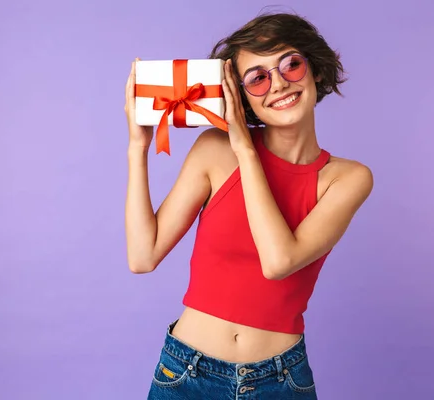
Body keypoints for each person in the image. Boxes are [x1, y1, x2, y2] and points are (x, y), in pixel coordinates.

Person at [124, 11, 374, 400]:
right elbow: (142, 256)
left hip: (280, 381)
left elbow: (278, 262)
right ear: (242, 97)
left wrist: (245, 148)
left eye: (290, 64)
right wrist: (138, 148)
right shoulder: (213, 150)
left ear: (316, 72)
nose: (277, 85)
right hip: (186, 372)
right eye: (257, 78)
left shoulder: (347, 178)